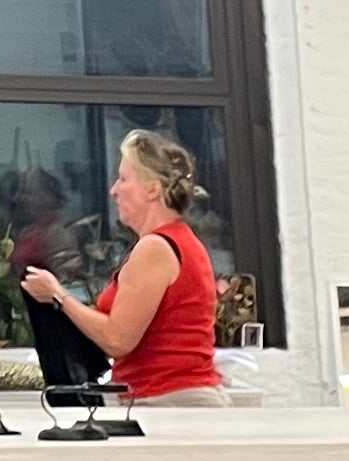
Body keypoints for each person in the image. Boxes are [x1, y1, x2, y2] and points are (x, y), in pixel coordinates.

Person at [19, 129, 223, 402]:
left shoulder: (156, 248)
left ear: (152, 189)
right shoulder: (180, 242)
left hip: (168, 400)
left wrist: (59, 296)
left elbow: (117, 340)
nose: (114, 190)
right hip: (172, 397)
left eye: (124, 179)